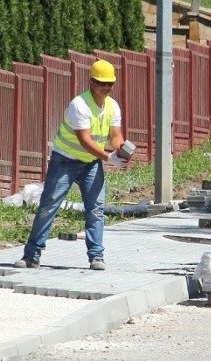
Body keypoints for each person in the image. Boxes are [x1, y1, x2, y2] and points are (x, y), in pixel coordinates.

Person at [14, 59, 129, 271]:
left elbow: (115, 136)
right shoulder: (80, 105)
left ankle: (96, 257)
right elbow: (85, 140)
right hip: (64, 161)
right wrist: (108, 158)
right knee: (49, 207)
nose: (107, 87)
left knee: (96, 210)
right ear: (91, 82)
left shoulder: (113, 106)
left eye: (110, 83)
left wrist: (122, 149)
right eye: (102, 83)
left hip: (90, 164)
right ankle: (31, 255)